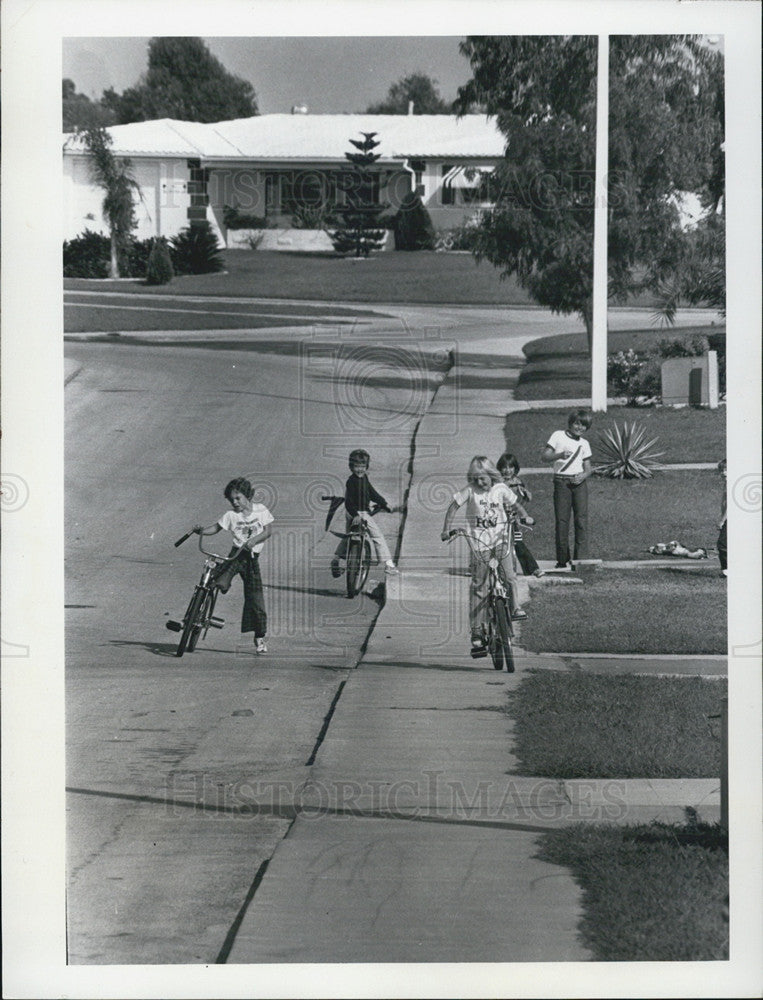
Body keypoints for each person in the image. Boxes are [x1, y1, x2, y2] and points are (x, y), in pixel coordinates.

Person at [441, 455, 529, 657]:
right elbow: (453, 507)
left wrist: (525, 516)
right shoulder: (470, 491)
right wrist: (446, 529)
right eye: (475, 479)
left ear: (491, 475)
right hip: (478, 544)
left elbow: (516, 505)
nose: (479, 482)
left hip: (500, 540)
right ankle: (478, 631)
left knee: (510, 577)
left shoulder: (501, 489)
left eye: (483, 478)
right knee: (479, 586)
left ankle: (515, 608)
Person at [192, 477, 273, 654]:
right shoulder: (231, 516)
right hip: (235, 556)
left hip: (251, 559)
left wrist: (253, 541)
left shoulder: (260, 510)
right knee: (217, 581)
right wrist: (202, 531)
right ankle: (195, 615)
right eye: (231, 499)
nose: (234, 502)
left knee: (255, 599)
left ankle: (260, 636)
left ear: (248, 496)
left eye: (238, 498)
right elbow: (215, 528)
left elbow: (268, 531)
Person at [331, 449, 399, 577]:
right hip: (359, 513)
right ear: (351, 467)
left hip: (352, 513)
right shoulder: (351, 482)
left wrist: (383, 503)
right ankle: (389, 564)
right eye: (357, 467)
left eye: (362, 467)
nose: (360, 470)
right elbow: (349, 502)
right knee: (377, 536)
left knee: (348, 536)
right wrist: (357, 514)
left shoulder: (364, 478)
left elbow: (372, 492)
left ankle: (336, 560)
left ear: (366, 467)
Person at [542, 410, 593, 568]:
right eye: (577, 423)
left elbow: (588, 467)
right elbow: (544, 456)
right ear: (570, 423)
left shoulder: (584, 443)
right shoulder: (558, 435)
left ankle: (580, 560)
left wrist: (583, 476)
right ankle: (562, 560)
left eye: (583, 425)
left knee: (581, 520)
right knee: (562, 521)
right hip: (561, 482)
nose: (579, 427)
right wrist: (559, 456)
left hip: (578, 484)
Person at [496, 452, 544, 578]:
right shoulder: (497, 483)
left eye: (510, 467)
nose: (507, 471)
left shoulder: (517, 482)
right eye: (504, 467)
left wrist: (525, 494)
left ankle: (532, 568)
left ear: (515, 468)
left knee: (517, 542)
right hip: (498, 518)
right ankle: (480, 566)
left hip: (512, 517)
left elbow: (524, 500)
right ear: (500, 468)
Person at [717, 458, 727, 577]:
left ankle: (726, 570)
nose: (723, 473)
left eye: (726, 470)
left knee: (722, 544)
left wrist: (722, 520)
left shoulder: (731, 484)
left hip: (730, 519)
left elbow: (730, 505)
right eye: (721, 470)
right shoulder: (726, 484)